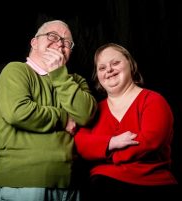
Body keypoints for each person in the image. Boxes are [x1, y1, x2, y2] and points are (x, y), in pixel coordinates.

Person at [0, 20, 97, 201]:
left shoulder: (76, 81)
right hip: (22, 182)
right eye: (52, 36)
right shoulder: (16, 70)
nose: (60, 43)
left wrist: (59, 75)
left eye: (67, 42)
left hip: (71, 183)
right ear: (34, 42)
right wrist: (64, 118)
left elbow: (86, 114)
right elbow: (19, 112)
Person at [74, 43, 179, 199]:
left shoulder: (153, 100)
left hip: (153, 184)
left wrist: (108, 153)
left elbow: (151, 140)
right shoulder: (94, 110)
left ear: (130, 64)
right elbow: (81, 143)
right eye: (102, 68)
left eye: (115, 63)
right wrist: (111, 143)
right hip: (104, 185)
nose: (109, 70)